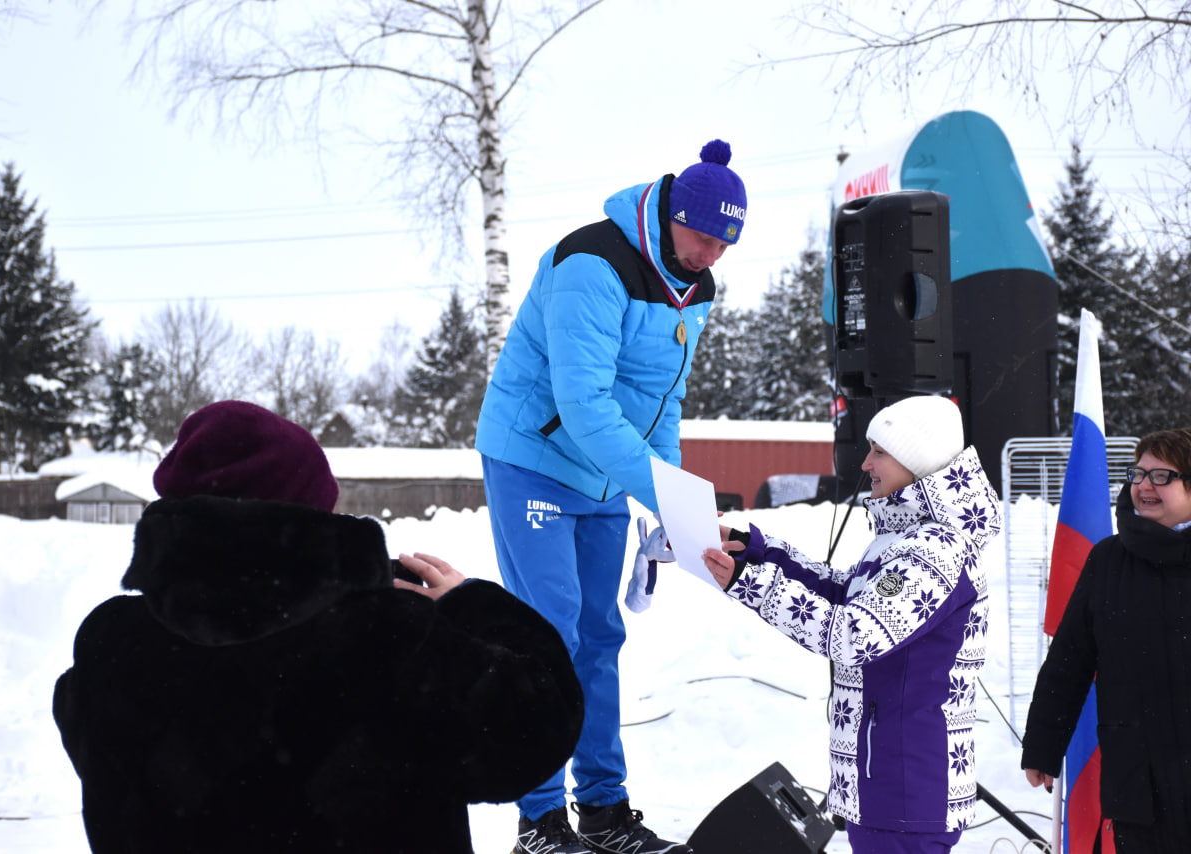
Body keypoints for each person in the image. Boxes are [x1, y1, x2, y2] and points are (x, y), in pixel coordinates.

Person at [52, 400, 584, 854]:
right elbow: (539, 724)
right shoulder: (385, 639)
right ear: (310, 512)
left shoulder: (112, 647)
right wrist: (472, 606)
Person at [474, 139, 747, 854]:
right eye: (703, 236)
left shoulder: (696, 287)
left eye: (725, 244)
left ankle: (602, 809)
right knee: (548, 635)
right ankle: (538, 821)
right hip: (534, 458)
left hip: (601, 472)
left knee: (599, 637)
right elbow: (584, 404)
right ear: (672, 215)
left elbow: (664, 401)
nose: (712, 254)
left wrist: (672, 500)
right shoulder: (592, 264)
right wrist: (661, 490)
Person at [701, 394, 1002, 854]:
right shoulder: (904, 538)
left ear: (916, 461)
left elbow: (853, 635)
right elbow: (844, 594)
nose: (865, 464)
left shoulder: (935, 551)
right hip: (888, 783)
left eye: (880, 451)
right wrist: (758, 551)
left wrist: (752, 585)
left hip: (905, 788)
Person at [1021, 428, 1191, 854]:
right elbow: (1069, 662)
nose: (1144, 486)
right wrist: (1043, 745)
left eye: (1162, 476)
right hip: (1140, 783)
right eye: (1138, 474)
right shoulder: (1108, 560)